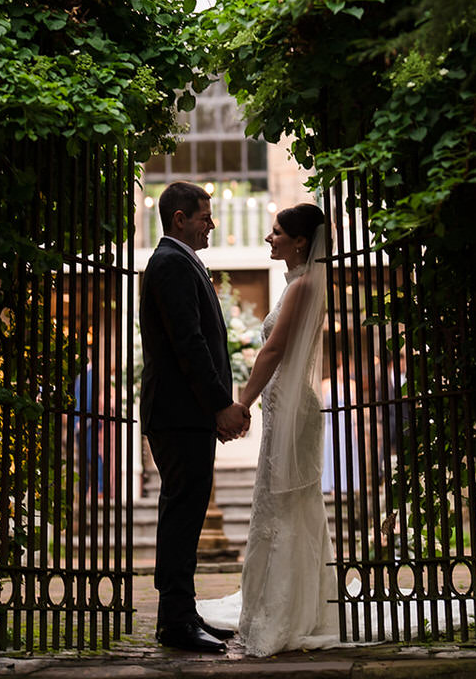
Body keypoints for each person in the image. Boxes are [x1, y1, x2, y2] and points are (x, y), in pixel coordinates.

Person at [198, 203, 341, 656]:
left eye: (277, 231)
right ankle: (288, 603)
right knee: (285, 505)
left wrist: (241, 403)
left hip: (292, 409)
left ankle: (288, 612)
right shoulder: (298, 285)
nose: (268, 237)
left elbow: (274, 350)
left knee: (286, 506)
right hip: (287, 408)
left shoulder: (301, 288)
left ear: (300, 241)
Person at [140, 180, 252, 654]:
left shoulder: (181, 262)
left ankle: (181, 614)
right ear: (180, 218)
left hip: (185, 413)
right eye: (205, 216)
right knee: (183, 513)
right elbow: (189, 344)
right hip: (179, 412)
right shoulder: (169, 263)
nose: (212, 224)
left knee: (185, 511)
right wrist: (219, 405)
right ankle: (176, 621)